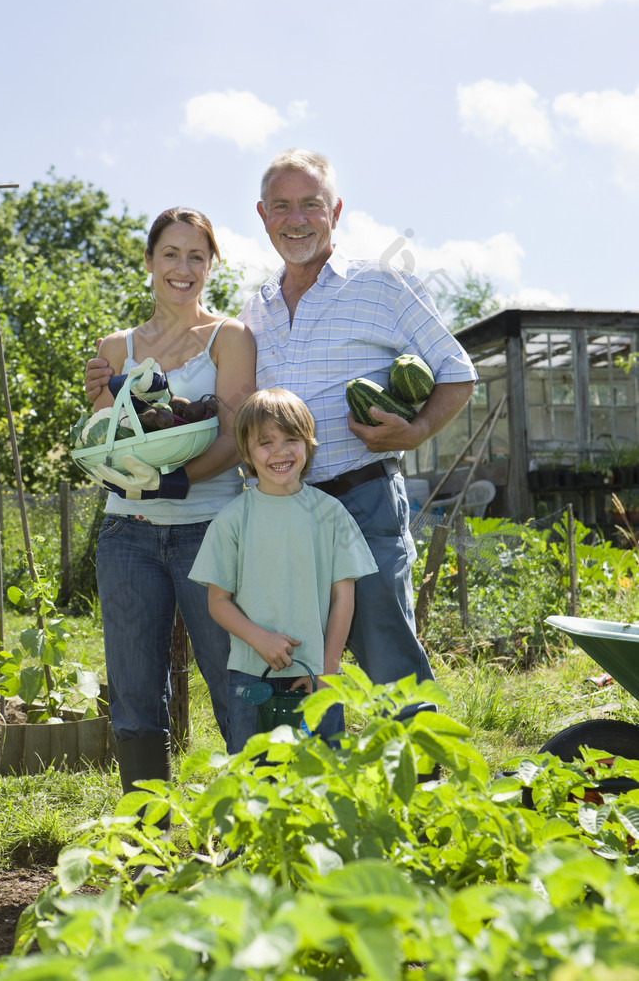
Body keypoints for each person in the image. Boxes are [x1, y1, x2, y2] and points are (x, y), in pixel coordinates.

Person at [85, 151, 475, 708]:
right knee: (295, 663)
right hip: (279, 513)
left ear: (335, 210)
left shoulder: (383, 285)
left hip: (360, 497)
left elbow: (457, 373)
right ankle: (311, 784)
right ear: (263, 215)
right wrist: (113, 385)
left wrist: (415, 434)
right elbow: (207, 406)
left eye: (311, 205)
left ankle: (428, 786)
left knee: (387, 653)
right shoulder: (256, 312)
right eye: (283, 207)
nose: (297, 219)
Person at [81, 206, 256, 797]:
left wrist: (174, 483)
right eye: (171, 254)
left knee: (232, 679)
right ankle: (144, 841)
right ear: (150, 261)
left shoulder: (229, 338)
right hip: (126, 535)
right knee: (133, 691)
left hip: (209, 529)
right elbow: (111, 445)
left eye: (196, 256)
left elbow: (234, 437)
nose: (183, 268)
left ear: (211, 265)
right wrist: (100, 407)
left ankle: (251, 828)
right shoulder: (116, 348)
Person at [188, 387, 378, 753]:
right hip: (251, 676)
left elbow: (343, 596)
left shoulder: (331, 514)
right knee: (253, 784)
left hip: (317, 678)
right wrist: (260, 638)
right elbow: (218, 602)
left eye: (291, 439)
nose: (279, 451)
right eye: (265, 442)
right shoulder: (232, 520)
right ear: (246, 452)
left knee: (321, 784)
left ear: (308, 444)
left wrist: (329, 668)